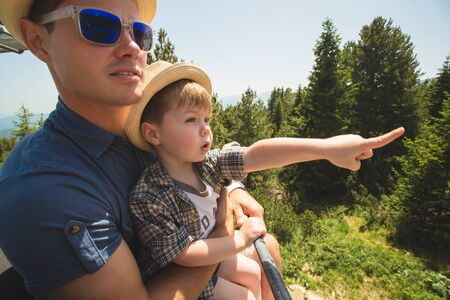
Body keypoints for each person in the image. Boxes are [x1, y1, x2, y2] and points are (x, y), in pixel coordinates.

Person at [0, 1, 275, 299]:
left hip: (196, 258)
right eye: (98, 25)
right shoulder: (43, 190)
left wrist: (230, 187)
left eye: (140, 32)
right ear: (38, 41)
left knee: (268, 250)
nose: (132, 46)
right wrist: (220, 232)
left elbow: (197, 160)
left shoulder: (150, 121)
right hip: (192, 265)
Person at [125, 61, 406, 300]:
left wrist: (326, 148)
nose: (205, 131)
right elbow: (185, 254)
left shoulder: (207, 165)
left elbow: (256, 155)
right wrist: (240, 240)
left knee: (257, 273)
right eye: (191, 120)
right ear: (153, 134)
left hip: (215, 257)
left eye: (207, 120)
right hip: (189, 278)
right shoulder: (149, 195)